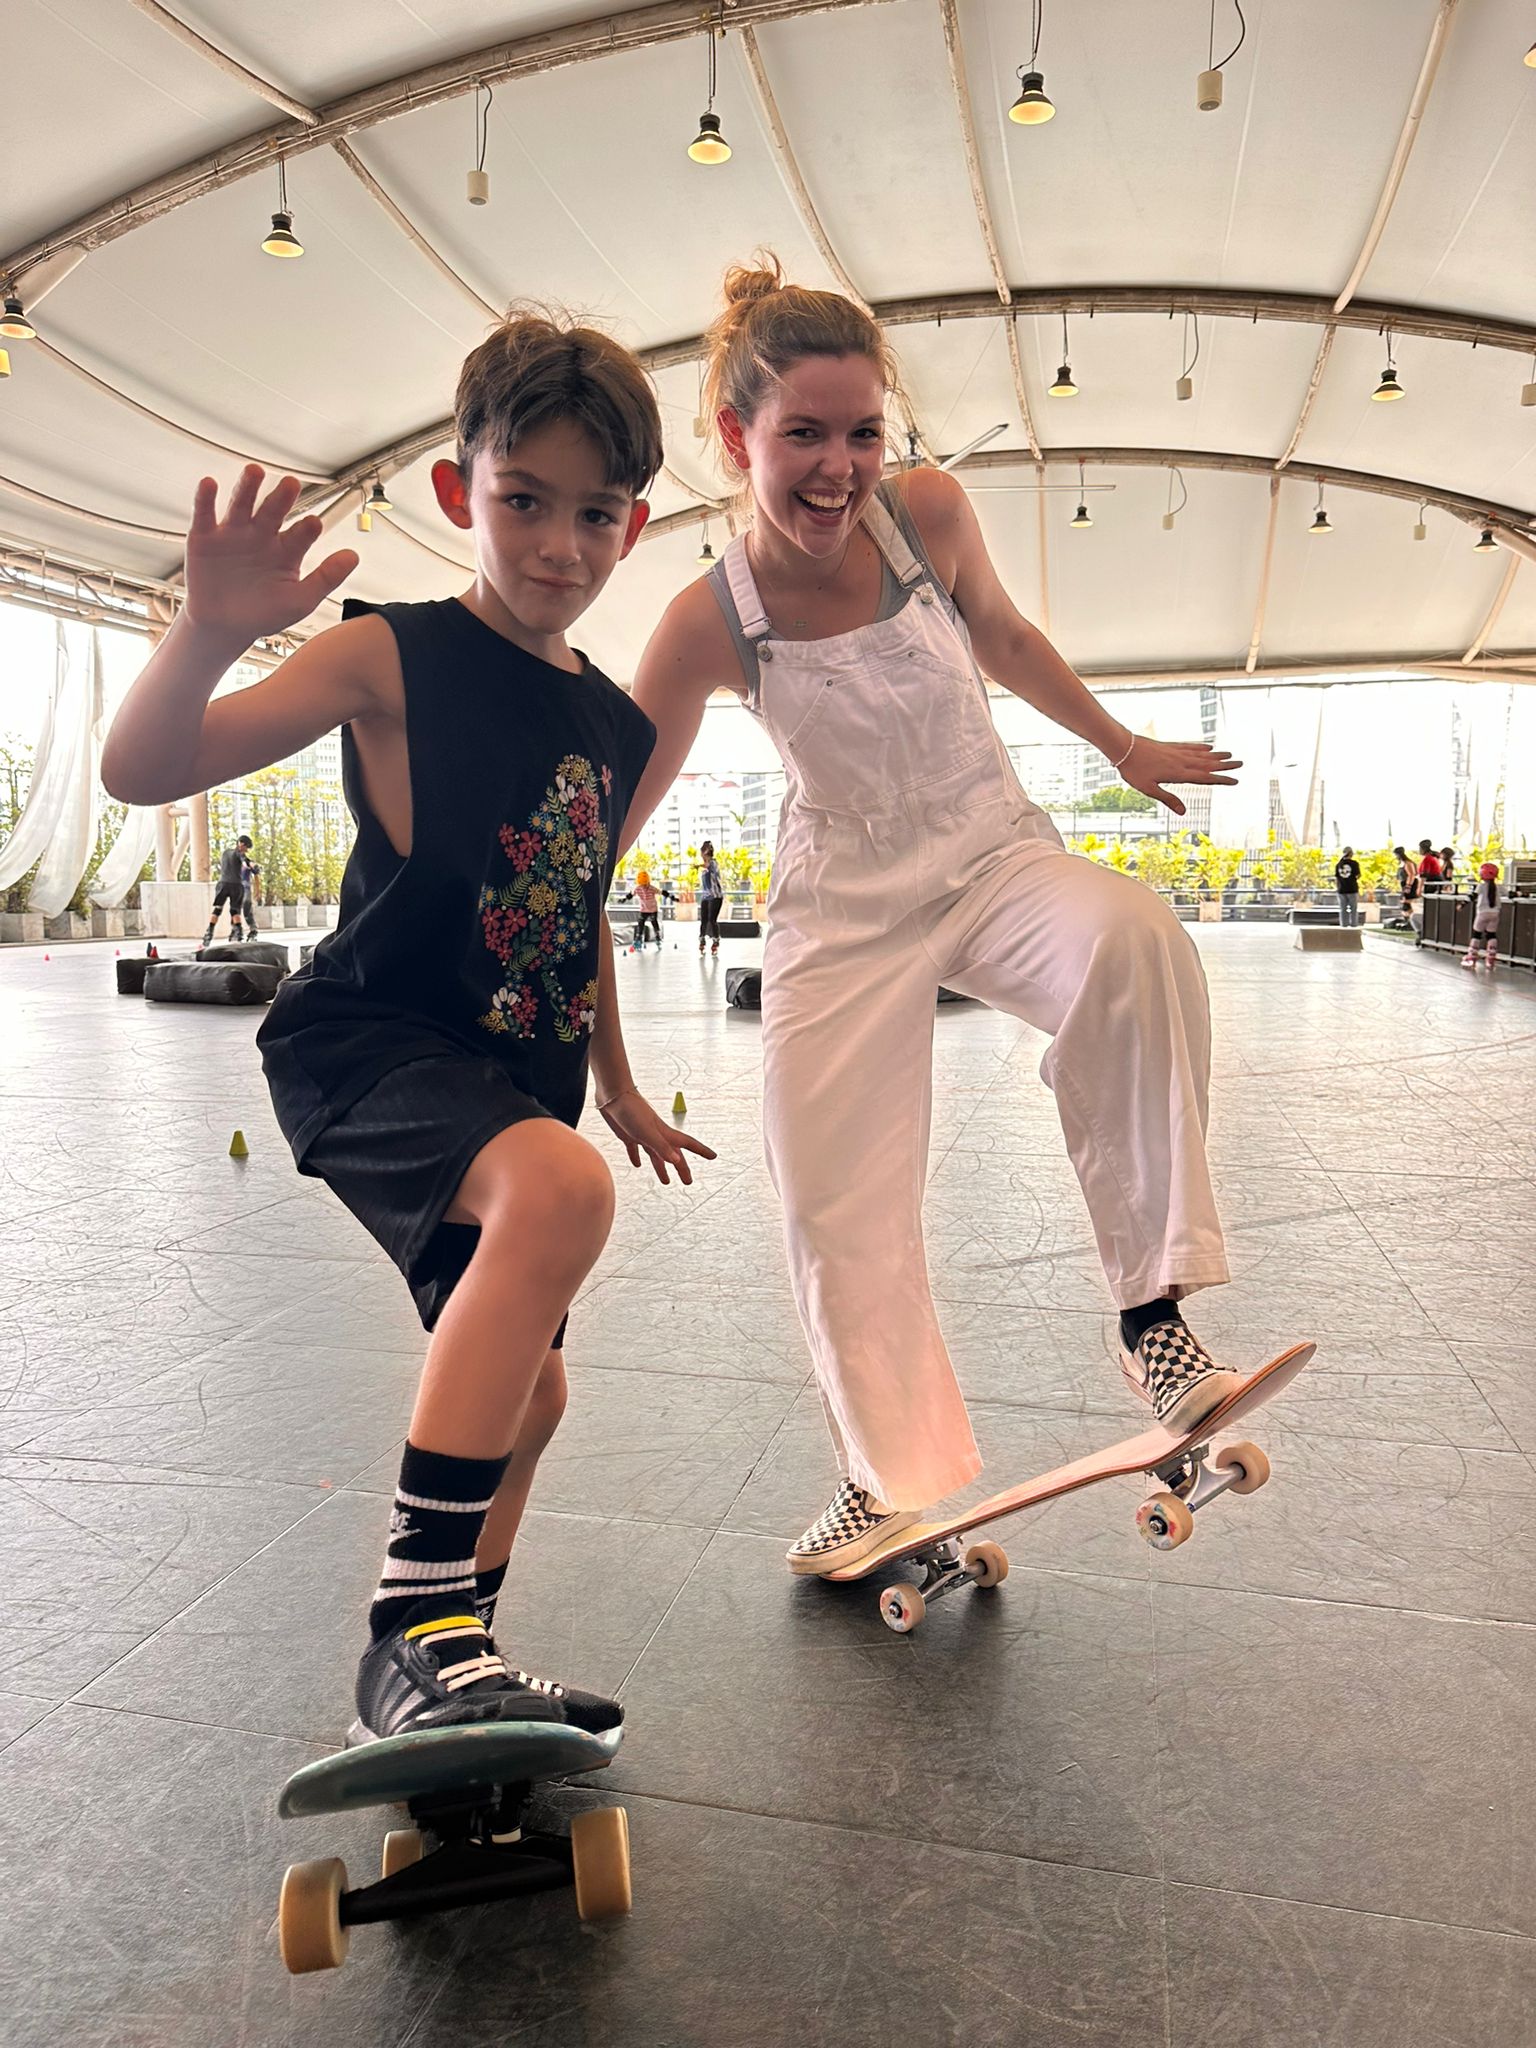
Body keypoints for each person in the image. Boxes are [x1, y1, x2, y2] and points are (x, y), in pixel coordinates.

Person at [103, 312, 714, 1740]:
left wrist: (619, 1078)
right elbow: (144, 768)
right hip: (368, 1045)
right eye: (524, 501)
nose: (559, 545)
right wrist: (206, 632)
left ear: (633, 527)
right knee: (561, 1191)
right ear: (459, 491)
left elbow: (577, 906)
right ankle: (415, 1630)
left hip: (514, 1078)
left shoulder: (617, 728)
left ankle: (453, 1670)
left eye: (595, 514)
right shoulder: (392, 656)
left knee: (535, 1397)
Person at [626, 258, 1279, 1576]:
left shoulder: (925, 514)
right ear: (736, 438)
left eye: (862, 432)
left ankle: (1152, 1318)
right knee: (829, 1195)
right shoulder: (707, 619)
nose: (838, 468)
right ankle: (883, 1482)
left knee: (1136, 941)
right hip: (842, 911)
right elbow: (605, 819)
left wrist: (1123, 745)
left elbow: (1009, 638)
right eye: (804, 436)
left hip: (989, 855)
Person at [204, 832, 252, 944]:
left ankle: (209, 932)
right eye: (246, 847)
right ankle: (239, 933)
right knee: (235, 910)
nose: (246, 850)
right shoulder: (239, 853)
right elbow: (244, 860)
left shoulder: (225, 853)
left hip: (223, 884)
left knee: (217, 909)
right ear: (241, 844)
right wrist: (250, 864)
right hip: (236, 886)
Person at [1461, 860, 1500, 970]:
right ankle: (1491, 957)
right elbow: (1511, 893)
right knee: (1491, 935)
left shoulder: (1481, 886)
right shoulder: (1498, 887)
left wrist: (1462, 904)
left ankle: (1471, 957)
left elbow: (1472, 896)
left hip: (1482, 913)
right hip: (1495, 914)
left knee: (1476, 934)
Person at [696, 839, 725, 953]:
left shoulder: (713, 863)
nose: (701, 856)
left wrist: (701, 863)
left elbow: (708, 866)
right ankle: (702, 939)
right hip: (706, 896)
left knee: (712, 919)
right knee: (703, 920)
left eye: (702, 854)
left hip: (716, 896)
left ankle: (716, 941)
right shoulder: (704, 867)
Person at [630, 868, 662, 946]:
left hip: (652, 909)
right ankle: (639, 937)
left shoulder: (652, 888)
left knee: (654, 922)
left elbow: (659, 892)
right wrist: (626, 898)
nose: (644, 886)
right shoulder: (638, 888)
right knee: (640, 923)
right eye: (642, 885)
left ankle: (657, 935)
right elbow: (632, 894)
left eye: (645, 884)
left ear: (648, 882)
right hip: (643, 910)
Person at [1333, 845, 1361, 927]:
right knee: (1353, 909)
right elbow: (1358, 875)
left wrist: (1337, 888)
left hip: (1341, 890)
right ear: (1350, 853)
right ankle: (1354, 925)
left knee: (1343, 909)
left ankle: (1344, 925)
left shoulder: (1338, 864)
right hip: (1352, 889)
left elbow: (1337, 878)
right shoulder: (1354, 864)